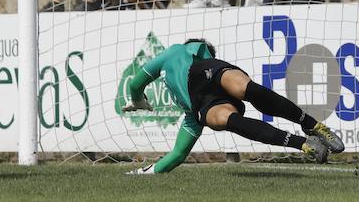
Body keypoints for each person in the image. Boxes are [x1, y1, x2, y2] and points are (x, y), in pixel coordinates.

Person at [120, 39, 341, 174]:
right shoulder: (190, 117)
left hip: (203, 75)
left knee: (245, 96)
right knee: (244, 99)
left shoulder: (179, 50)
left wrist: (138, 101)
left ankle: (313, 128)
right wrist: (139, 174)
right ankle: (305, 143)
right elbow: (177, 155)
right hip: (206, 97)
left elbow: (135, 83)